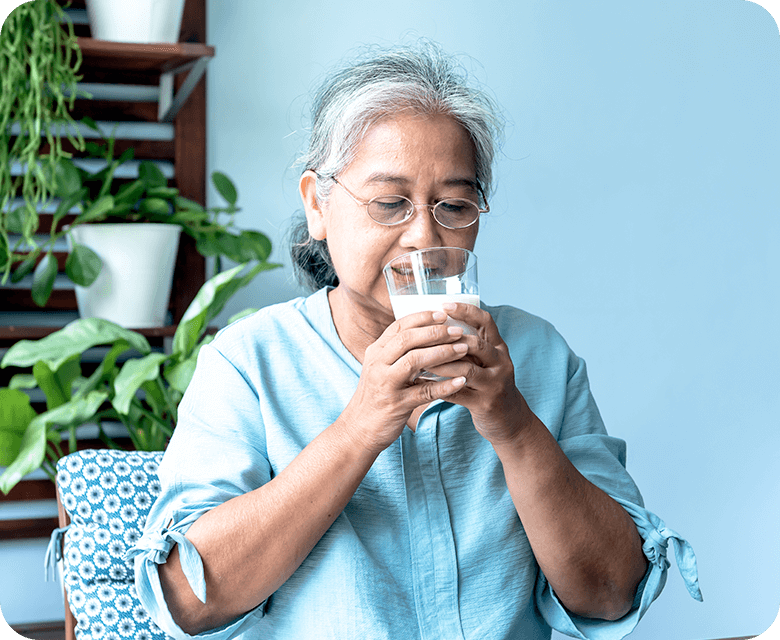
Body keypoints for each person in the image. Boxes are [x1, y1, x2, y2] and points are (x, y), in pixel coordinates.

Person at [130, 41, 702, 640]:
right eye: (389, 204)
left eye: (454, 204)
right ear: (317, 205)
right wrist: (360, 427)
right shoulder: (248, 362)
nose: (424, 237)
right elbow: (189, 601)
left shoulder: (538, 356)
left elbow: (612, 594)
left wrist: (510, 421)